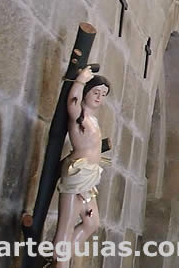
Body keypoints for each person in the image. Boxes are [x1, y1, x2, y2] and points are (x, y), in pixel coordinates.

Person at [52, 66, 111, 267]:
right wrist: (80, 81)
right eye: (96, 92)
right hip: (77, 173)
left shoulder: (93, 120)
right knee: (66, 225)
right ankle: (60, 263)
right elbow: (72, 102)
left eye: (103, 94)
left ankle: (63, 256)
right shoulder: (81, 117)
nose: (99, 97)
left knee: (91, 222)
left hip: (89, 176)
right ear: (87, 92)